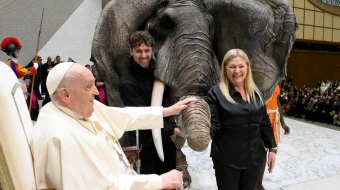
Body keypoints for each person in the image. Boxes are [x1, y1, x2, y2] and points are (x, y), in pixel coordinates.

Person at [30, 62, 195, 190]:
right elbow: (104, 187)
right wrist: (159, 181)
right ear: (65, 94)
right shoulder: (60, 138)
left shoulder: (75, 107)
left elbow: (125, 116)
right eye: (89, 86)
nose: (96, 91)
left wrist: (166, 111)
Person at [207, 49, 277, 190]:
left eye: (241, 66)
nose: (237, 71)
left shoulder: (257, 92)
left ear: (247, 68)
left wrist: (273, 149)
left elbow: (264, 122)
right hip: (227, 160)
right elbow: (214, 125)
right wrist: (197, 134)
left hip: (255, 159)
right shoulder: (216, 93)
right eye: (232, 66)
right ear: (225, 69)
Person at [119, 31, 180, 175]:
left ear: (151, 49)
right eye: (138, 51)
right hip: (143, 142)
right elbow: (142, 115)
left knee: (170, 176)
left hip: (163, 138)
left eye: (147, 50)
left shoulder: (160, 69)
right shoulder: (127, 82)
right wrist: (172, 129)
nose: (143, 55)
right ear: (131, 52)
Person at [256, 84, 290, 190]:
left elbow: (277, 101)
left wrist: (282, 122)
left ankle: (257, 183)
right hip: (261, 118)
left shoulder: (276, 80)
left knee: (265, 150)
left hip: (272, 118)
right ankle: (256, 184)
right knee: (260, 150)